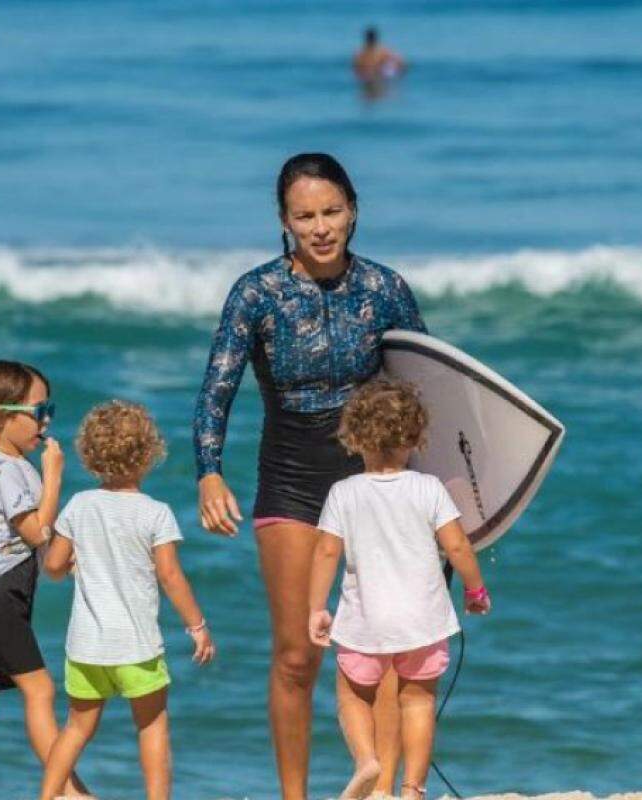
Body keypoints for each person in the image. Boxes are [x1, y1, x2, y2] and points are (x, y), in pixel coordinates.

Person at [194, 152, 426, 799]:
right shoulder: (256, 294)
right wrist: (209, 473)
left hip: (375, 476)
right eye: (305, 215)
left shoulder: (385, 290)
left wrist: (447, 494)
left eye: (331, 211)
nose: (320, 227)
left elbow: (430, 387)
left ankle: (379, 791)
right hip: (292, 477)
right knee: (299, 654)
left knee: (382, 648)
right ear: (284, 220)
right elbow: (217, 389)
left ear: (353, 210)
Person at [308, 379, 491, 800]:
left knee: (354, 697)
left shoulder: (344, 493)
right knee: (419, 703)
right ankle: (412, 789)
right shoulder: (430, 489)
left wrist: (317, 607)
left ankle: (367, 761)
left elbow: (325, 552)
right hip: (423, 623)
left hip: (365, 624)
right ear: (415, 438)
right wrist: (475, 590)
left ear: (354, 439)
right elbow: (457, 545)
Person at [40, 401, 215, 800]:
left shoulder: (79, 506)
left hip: (86, 647)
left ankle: (47, 796)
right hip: (136, 648)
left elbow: (52, 565)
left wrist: (72, 566)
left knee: (76, 728)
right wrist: (197, 626)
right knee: (151, 726)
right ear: (149, 454)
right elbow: (170, 576)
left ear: (90, 456)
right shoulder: (156, 513)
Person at [0, 360, 89, 800]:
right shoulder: (6, 469)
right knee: (39, 688)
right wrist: (56, 475)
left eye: (49, 409)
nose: (45, 421)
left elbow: (45, 551)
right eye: (36, 410)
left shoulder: (10, 467)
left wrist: (76, 564)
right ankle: (68, 793)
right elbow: (36, 532)